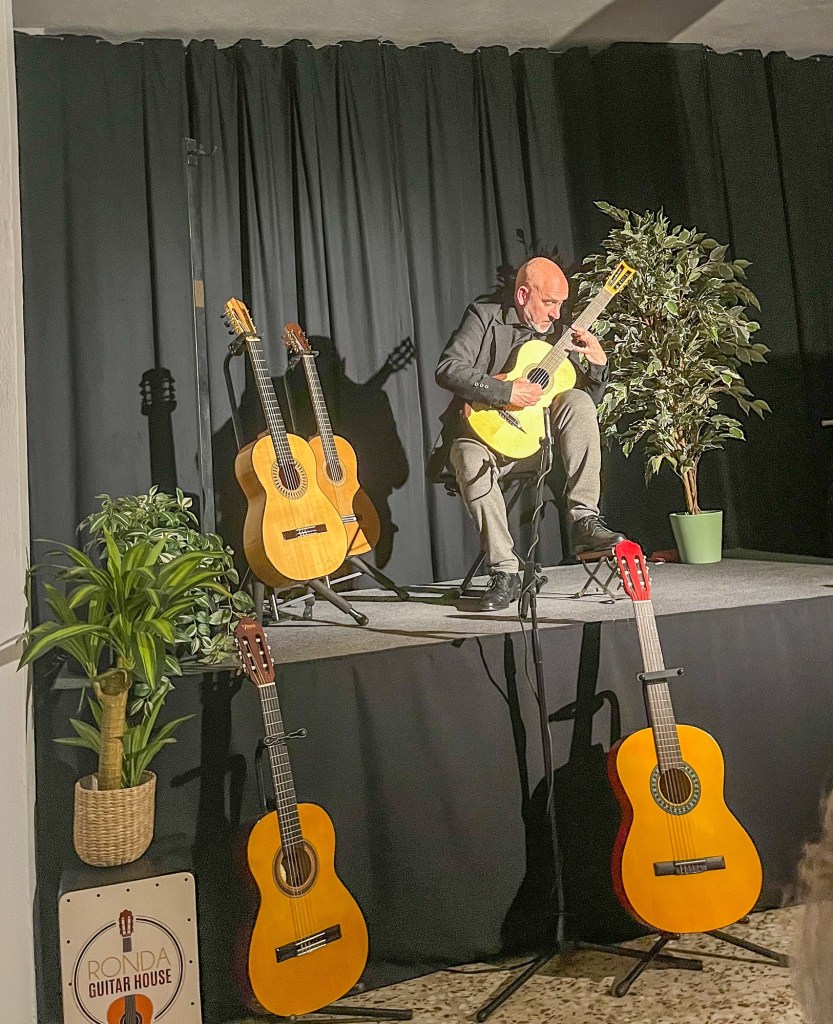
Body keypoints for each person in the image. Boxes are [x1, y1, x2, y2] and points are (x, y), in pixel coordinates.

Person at [431, 256, 626, 611]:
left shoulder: (559, 336)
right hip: (483, 440)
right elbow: (448, 369)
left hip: (537, 446)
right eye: (549, 302)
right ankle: (504, 572)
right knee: (468, 457)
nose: (556, 313)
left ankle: (585, 519)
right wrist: (505, 391)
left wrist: (598, 366)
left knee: (578, 400)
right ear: (523, 295)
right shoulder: (484, 317)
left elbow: (582, 407)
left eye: (561, 305)